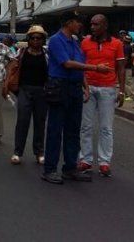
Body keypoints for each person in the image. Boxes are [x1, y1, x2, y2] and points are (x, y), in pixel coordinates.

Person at [42, 12, 111, 185]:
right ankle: (50, 169)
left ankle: (70, 167)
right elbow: (67, 64)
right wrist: (95, 68)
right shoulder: (56, 40)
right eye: (78, 22)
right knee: (55, 129)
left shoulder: (74, 41)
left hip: (74, 88)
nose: (81, 25)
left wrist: (85, 86)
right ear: (69, 22)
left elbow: (78, 67)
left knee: (73, 129)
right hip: (59, 86)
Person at [79, 14, 126, 178]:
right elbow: (81, 64)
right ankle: (86, 159)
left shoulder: (117, 44)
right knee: (86, 126)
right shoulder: (85, 42)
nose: (92, 27)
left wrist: (121, 90)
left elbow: (121, 67)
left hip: (108, 88)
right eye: (91, 24)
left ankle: (104, 162)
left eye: (96, 24)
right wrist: (83, 85)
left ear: (105, 26)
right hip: (88, 88)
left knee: (106, 127)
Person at [10, 25, 49, 165]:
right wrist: (6, 85)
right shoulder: (21, 52)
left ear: (43, 40)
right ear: (28, 39)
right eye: (33, 38)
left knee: (40, 122)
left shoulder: (47, 54)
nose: (36, 40)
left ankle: (39, 152)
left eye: (39, 38)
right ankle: (17, 152)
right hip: (24, 91)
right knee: (22, 121)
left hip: (41, 92)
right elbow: (12, 68)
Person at [120, 31, 134, 102]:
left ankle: (132, 96)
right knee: (127, 82)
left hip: (127, 67)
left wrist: (123, 66)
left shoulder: (127, 47)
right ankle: (128, 95)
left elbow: (126, 58)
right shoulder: (128, 46)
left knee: (128, 82)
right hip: (128, 66)